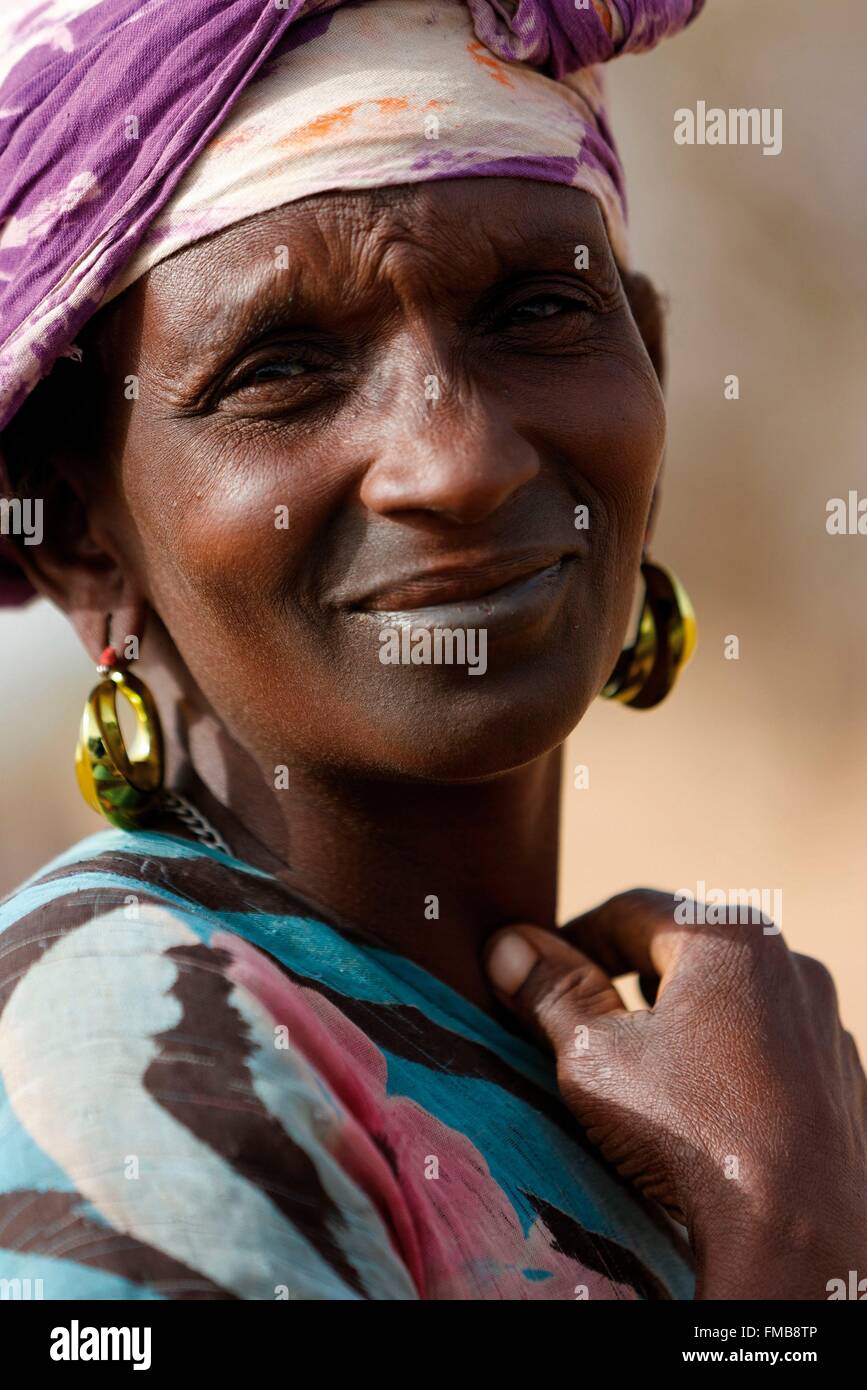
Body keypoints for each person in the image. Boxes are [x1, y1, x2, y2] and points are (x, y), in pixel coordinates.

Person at [0, 0, 863, 1301]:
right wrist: (794, 1246)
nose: (458, 463)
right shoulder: (139, 1035)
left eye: (535, 313)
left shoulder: (681, 1096)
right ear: (81, 539)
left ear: (656, 379)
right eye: (281, 368)